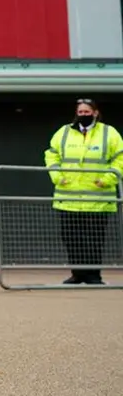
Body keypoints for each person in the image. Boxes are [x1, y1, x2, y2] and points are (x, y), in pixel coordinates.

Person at [43, 98, 123, 285]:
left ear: (95, 113)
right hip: (68, 197)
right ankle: (77, 274)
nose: (83, 116)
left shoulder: (109, 133)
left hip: (98, 198)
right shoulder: (63, 132)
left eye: (87, 112)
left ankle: (94, 276)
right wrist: (57, 176)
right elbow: (51, 154)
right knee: (71, 238)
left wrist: (107, 179)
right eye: (80, 112)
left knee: (94, 239)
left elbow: (120, 159)